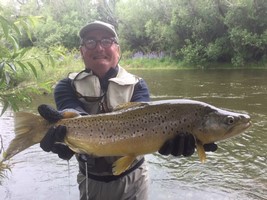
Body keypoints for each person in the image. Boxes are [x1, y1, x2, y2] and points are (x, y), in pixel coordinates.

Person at [38, 20, 217, 200]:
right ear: (82, 51)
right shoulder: (66, 85)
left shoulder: (137, 85)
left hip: (135, 180)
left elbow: (148, 121)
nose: (99, 48)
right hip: (89, 179)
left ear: (118, 49)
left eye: (106, 41)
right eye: (91, 42)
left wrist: (172, 140)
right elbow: (74, 113)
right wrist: (65, 139)